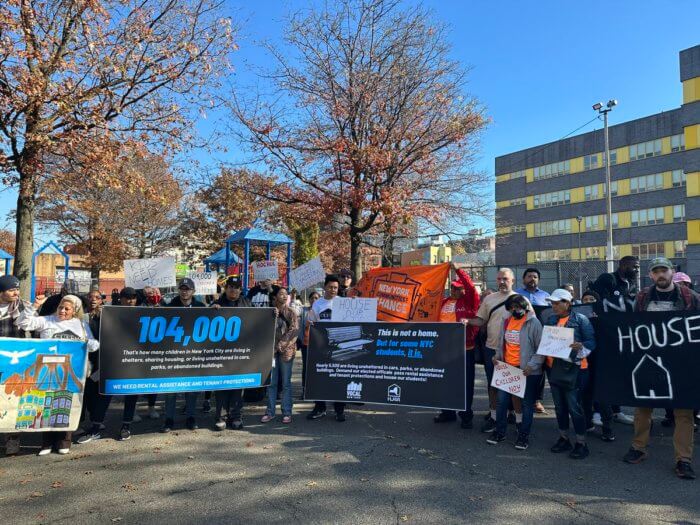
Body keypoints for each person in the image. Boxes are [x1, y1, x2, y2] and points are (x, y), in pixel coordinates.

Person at [623, 257, 700, 480]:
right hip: (649, 361)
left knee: (683, 413)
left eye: (664, 270)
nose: (660, 275)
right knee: (643, 407)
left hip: (681, 364)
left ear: (672, 272)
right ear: (650, 276)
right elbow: (631, 326)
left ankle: (683, 459)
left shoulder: (690, 298)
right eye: (656, 272)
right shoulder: (643, 298)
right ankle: (638, 447)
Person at [17, 294, 99, 455]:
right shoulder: (47, 320)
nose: (62, 311)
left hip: (70, 372)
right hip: (47, 371)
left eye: (67, 309)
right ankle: (46, 443)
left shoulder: (80, 324)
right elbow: (23, 323)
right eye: (61, 307)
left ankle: (64, 440)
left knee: (65, 405)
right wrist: (33, 306)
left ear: (74, 311)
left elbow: (94, 345)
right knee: (46, 405)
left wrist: (87, 343)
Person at [465, 268, 530, 433]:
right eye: (499, 279)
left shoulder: (522, 300)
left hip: (513, 351)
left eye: (505, 279)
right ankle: (494, 417)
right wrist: (468, 322)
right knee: (493, 385)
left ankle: (516, 418)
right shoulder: (489, 299)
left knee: (513, 387)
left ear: (513, 280)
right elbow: (481, 320)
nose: (502, 282)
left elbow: (531, 323)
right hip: (492, 349)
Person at [78, 287, 145, 443]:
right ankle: (96, 428)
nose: (130, 300)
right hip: (110, 361)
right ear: (120, 299)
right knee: (104, 394)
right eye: (127, 297)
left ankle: (126, 427)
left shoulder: (141, 314)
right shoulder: (108, 312)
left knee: (131, 395)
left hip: (132, 361)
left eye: (133, 298)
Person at [544, 289, 596, 459]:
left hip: (576, 370)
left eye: (557, 302)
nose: (554, 306)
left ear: (568, 303)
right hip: (555, 369)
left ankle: (581, 443)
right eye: (552, 303)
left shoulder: (580, 320)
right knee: (559, 407)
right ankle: (564, 438)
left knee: (575, 407)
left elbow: (591, 342)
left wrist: (580, 346)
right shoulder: (551, 319)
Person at [487, 294, 543, 450]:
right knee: (502, 401)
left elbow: (541, 349)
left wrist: (532, 365)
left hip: (527, 370)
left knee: (526, 404)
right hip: (508, 368)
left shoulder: (533, 323)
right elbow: (501, 343)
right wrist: (497, 356)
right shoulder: (507, 321)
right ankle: (500, 432)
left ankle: (523, 436)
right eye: (511, 308)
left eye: (517, 307)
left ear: (524, 306)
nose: (514, 310)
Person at [590, 256, 640, 426]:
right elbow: (597, 303)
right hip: (603, 335)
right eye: (634, 266)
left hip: (621, 336)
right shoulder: (607, 279)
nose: (637, 269)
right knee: (602, 372)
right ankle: (597, 411)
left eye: (638, 267)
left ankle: (616, 410)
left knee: (617, 374)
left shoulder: (631, 284)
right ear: (623, 265)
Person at [433, 263, 480, 428]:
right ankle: (447, 412)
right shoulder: (444, 301)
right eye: (453, 288)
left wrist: (459, 271)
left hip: (463, 350)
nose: (455, 291)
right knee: (445, 382)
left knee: (465, 384)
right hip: (444, 350)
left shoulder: (470, 302)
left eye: (459, 288)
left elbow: (471, 287)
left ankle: (466, 416)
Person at [162, 278, 205, 432]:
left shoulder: (201, 307)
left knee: (192, 390)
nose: (184, 291)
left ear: (193, 291)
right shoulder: (169, 307)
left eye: (187, 289)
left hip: (193, 355)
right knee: (170, 390)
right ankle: (168, 420)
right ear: (178, 290)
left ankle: (191, 417)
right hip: (173, 355)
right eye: (182, 288)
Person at [210, 277, 251, 430]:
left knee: (237, 386)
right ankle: (220, 417)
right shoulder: (217, 304)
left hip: (240, 353)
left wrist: (273, 312)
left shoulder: (247, 303)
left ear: (241, 289)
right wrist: (212, 310)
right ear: (226, 288)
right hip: (221, 353)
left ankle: (236, 416)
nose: (233, 290)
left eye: (236, 287)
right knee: (221, 386)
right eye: (230, 287)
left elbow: (259, 320)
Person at [0, 275, 35, 456]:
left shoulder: (23, 306)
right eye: (11, 289)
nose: (16, 292)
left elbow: (35, 327)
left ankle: (12, 438)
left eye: (17, 289)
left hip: (15, 362)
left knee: (11, 400)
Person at [306, 275, 347, 422]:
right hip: (321, 348)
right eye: (330, 287)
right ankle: (320, 407)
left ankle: (339, 410)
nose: (333, 290)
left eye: (336, 287)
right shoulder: (317, 304)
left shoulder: (344, 303)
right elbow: (311, 322)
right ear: (325, 287)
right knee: (320, 378)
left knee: (339, 378)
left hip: (340, 348)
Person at [261, 287, 299, 424]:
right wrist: (272, 316)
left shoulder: (291, 313)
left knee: (286, 383)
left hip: (286, 353)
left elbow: (294, 331)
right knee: (271, 383)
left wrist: (280, 346)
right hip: (271, 352)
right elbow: (263, 329)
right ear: (275, 297)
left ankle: (287, 412)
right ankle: (270, 412)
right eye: (281, 294)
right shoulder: (269, 312)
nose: (284, 296)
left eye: (286, 294)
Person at [299, 291, 321, 393]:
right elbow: (300, 327)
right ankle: (305, 389)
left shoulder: (322, 310)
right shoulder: (304, 311)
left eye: (316, 298)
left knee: (317, 367)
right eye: (312, 298)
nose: (314, 300)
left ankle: (316, 389)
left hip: (319, 344)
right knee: (306, 367)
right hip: (306, 343)